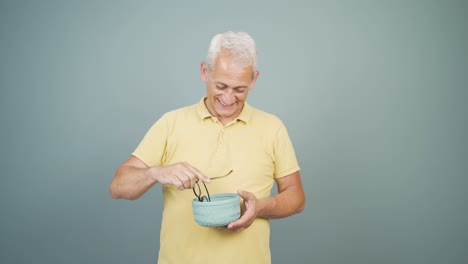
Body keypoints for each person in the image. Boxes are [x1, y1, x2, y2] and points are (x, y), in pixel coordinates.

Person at [110, 31, 305, 264]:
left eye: (240, 89)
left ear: (254, 80)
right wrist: (156, 172)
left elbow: (296, 197)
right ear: (204, 71)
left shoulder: (272, 128)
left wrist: (259, 207)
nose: (228, 97)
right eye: (221, 86)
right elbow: (118, 187)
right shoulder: (171, 123)